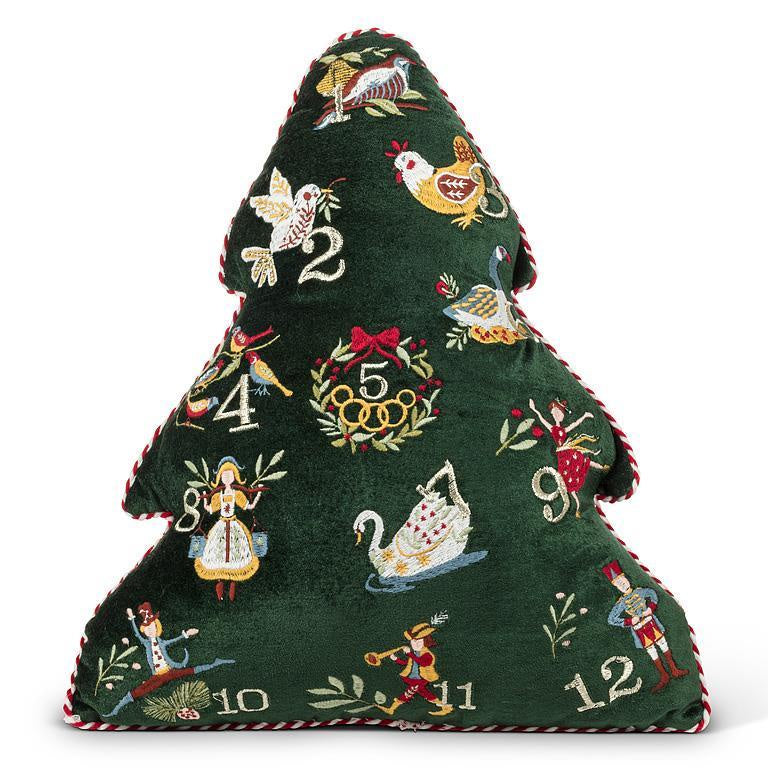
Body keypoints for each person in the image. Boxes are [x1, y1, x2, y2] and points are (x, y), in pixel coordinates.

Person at [105, 603, 234, 717]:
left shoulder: (162, 643)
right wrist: (132, 618)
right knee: (142, 690)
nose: (150, 630)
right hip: (157, 675)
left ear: (157, 627)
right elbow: (137, 635)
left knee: (190, 671)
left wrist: (186, 634)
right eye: (147, 628)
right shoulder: (146, 643)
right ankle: (117, 709)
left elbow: (175, 640)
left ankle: (215, 663)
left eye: (152, 627)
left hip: (169, 671)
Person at [603, 561, 689, 693]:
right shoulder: (621, 603)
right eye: (619, 584)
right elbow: (611, 619)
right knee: (651, 651)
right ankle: (664, 676)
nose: (622, 584)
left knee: (663, 644)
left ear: (626, 578)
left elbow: (653, 594)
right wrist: (629, 621)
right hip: (640, 630)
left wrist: (650, 608)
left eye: (623, 581)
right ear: (616, 586)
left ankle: (674, 669)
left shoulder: (640, 592)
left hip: (651, 623)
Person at [195, 456, 262, 601]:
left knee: (236, 552)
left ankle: (232, 584)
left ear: (235, 476)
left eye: (230, 475)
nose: (226, 477)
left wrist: (257, 496)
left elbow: (249, 506)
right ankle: (220, 585)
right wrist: (205, 500)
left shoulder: (237, 494)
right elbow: (210, 509)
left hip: (234, 525)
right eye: (224, 475)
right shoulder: (218, 496)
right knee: (216, 552)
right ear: (219, 477)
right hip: (221, 525)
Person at [529, 397, 608, 517]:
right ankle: (577, 508)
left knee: (584, 460)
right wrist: (534, 409)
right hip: (562, 455)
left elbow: (575, 424)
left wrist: (584, 416)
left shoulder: (564, 429)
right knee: (568, 482)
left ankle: (602, 467)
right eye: (554, 412)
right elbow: (542, 419)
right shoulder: (552, 428)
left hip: (569, 451)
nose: (556, 415)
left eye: (559, 412)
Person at [377, 622, 454, 717]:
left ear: (425, 641)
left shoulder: (427, 654)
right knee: (426, 694)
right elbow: (408, 663)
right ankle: (446, 708)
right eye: (413, 642)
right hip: (412, 678)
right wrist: (396, 659)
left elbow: (422, 663)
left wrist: (410, 653)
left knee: (408, 694)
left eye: (419, 642)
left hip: (421, 679)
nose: (415, 644)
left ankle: (392, 709)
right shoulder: (415, 653)